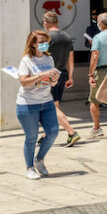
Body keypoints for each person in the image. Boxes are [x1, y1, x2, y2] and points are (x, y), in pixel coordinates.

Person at [16, 30, 60, 179]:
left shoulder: (49, 59)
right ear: (33, 44)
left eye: (45, 41)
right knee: (31, 137)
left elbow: (51, 83)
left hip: (46, 101)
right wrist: (41, 75)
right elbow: (23, 81)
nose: (44, 44)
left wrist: (54, 79)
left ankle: (39, 159)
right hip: (27, 103)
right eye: (41, 42)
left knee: (53, 132)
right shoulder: (26, 60)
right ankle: (29, 167)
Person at [41, 11, 80, 147]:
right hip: (62, 74)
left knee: (51, 107)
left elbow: (40, 56)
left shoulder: (46, 37)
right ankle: (46, 135)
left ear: (46, 22)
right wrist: (70, 76)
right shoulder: (67, 37)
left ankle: (71, 132)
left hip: (48, 76)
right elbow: (71, 58)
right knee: (55, 105)